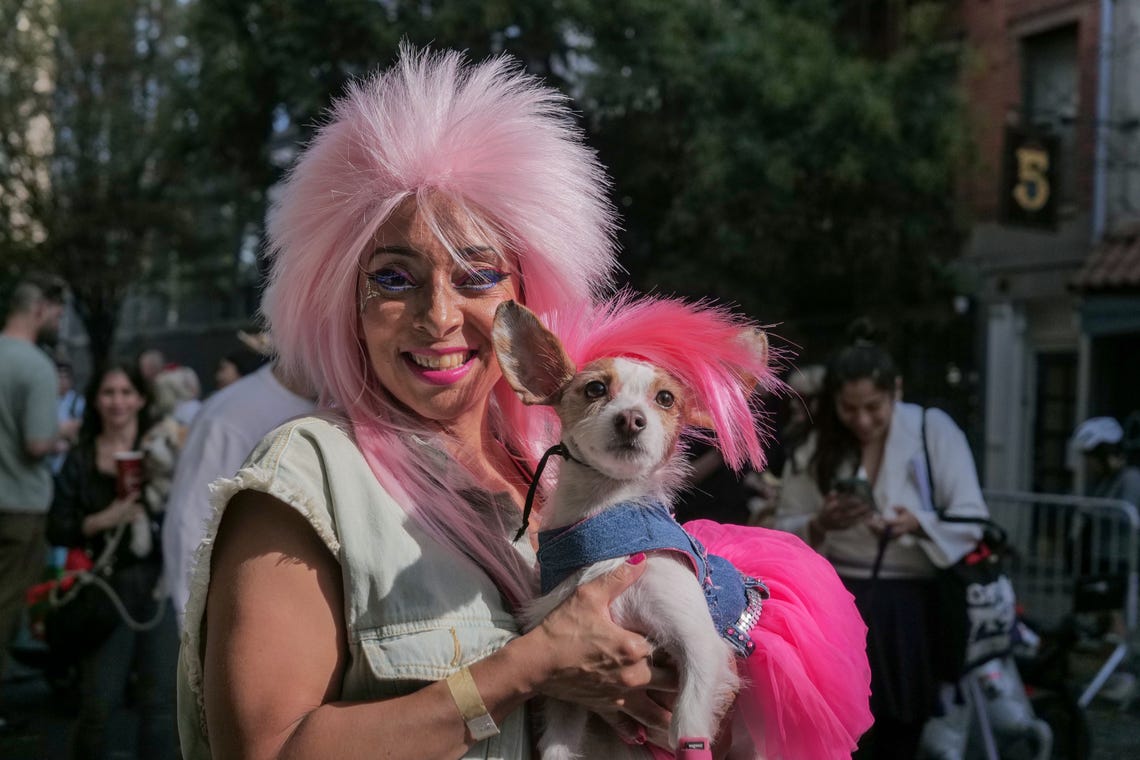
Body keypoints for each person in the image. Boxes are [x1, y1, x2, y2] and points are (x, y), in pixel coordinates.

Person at [775, 320, 988, 760]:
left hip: (907, 604)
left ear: (897, 392)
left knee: (899, 729)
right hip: (834, 597)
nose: (862, 420)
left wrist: (918, 523)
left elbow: (971, 518)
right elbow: (781, 530)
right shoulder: (819, 443)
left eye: (874, 407)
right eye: (849, 409)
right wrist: (821, 524)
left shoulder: (932, 430)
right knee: (832, 730)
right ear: (834, 402)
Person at [48, 361, 179, 759]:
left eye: (126, 392)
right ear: (96, 401)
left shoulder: (164, 448)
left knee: (161, 706)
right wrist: (104, 519)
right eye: (108, 393)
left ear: (140, 399)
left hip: (159, 586)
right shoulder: (81, 458)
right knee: (98, 706)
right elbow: (57, 528)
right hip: (105, 591)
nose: (118, 401)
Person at [162, 357, 314, 624]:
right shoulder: (230, 416)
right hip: (260, 617)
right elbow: (193, 524)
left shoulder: (349, 404)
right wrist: (197, 627)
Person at [0, 273, 66, 734]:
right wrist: (65, 435)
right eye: (57, 313)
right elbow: (37, 443)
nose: (58, 321)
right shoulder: (36, 365)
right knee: (5, 606)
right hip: (19, 507)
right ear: (39, 308)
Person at [1069, 415, 1140, 703]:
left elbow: (1125, 513)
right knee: (1106, 618)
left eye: (1092, 458)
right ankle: (1114, 673)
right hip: (1104, 561)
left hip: (1122, 562)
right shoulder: (1105, 480)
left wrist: (1091, 511)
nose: (1089, 465)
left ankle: (1124, 675)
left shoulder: (1130, 479)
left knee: (1117, 619)